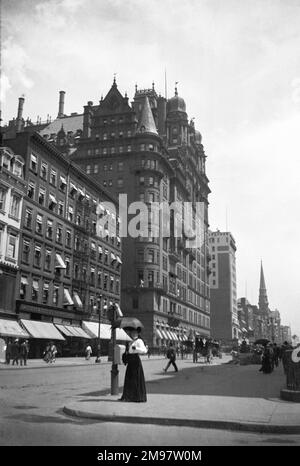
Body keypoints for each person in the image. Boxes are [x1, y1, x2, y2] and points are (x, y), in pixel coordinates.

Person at [120, 328, 147, 402]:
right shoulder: (130, 341)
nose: (133, 334)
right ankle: (128, 396)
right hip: (130, 360)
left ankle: (136, 397)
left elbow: (144, 350)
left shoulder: (139, 341)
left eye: (135, 332)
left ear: (137, 333)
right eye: (132, 332)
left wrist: (136, 348)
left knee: (135, 379)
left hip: (135, 360)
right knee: (129, 379)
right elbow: (129, 350)